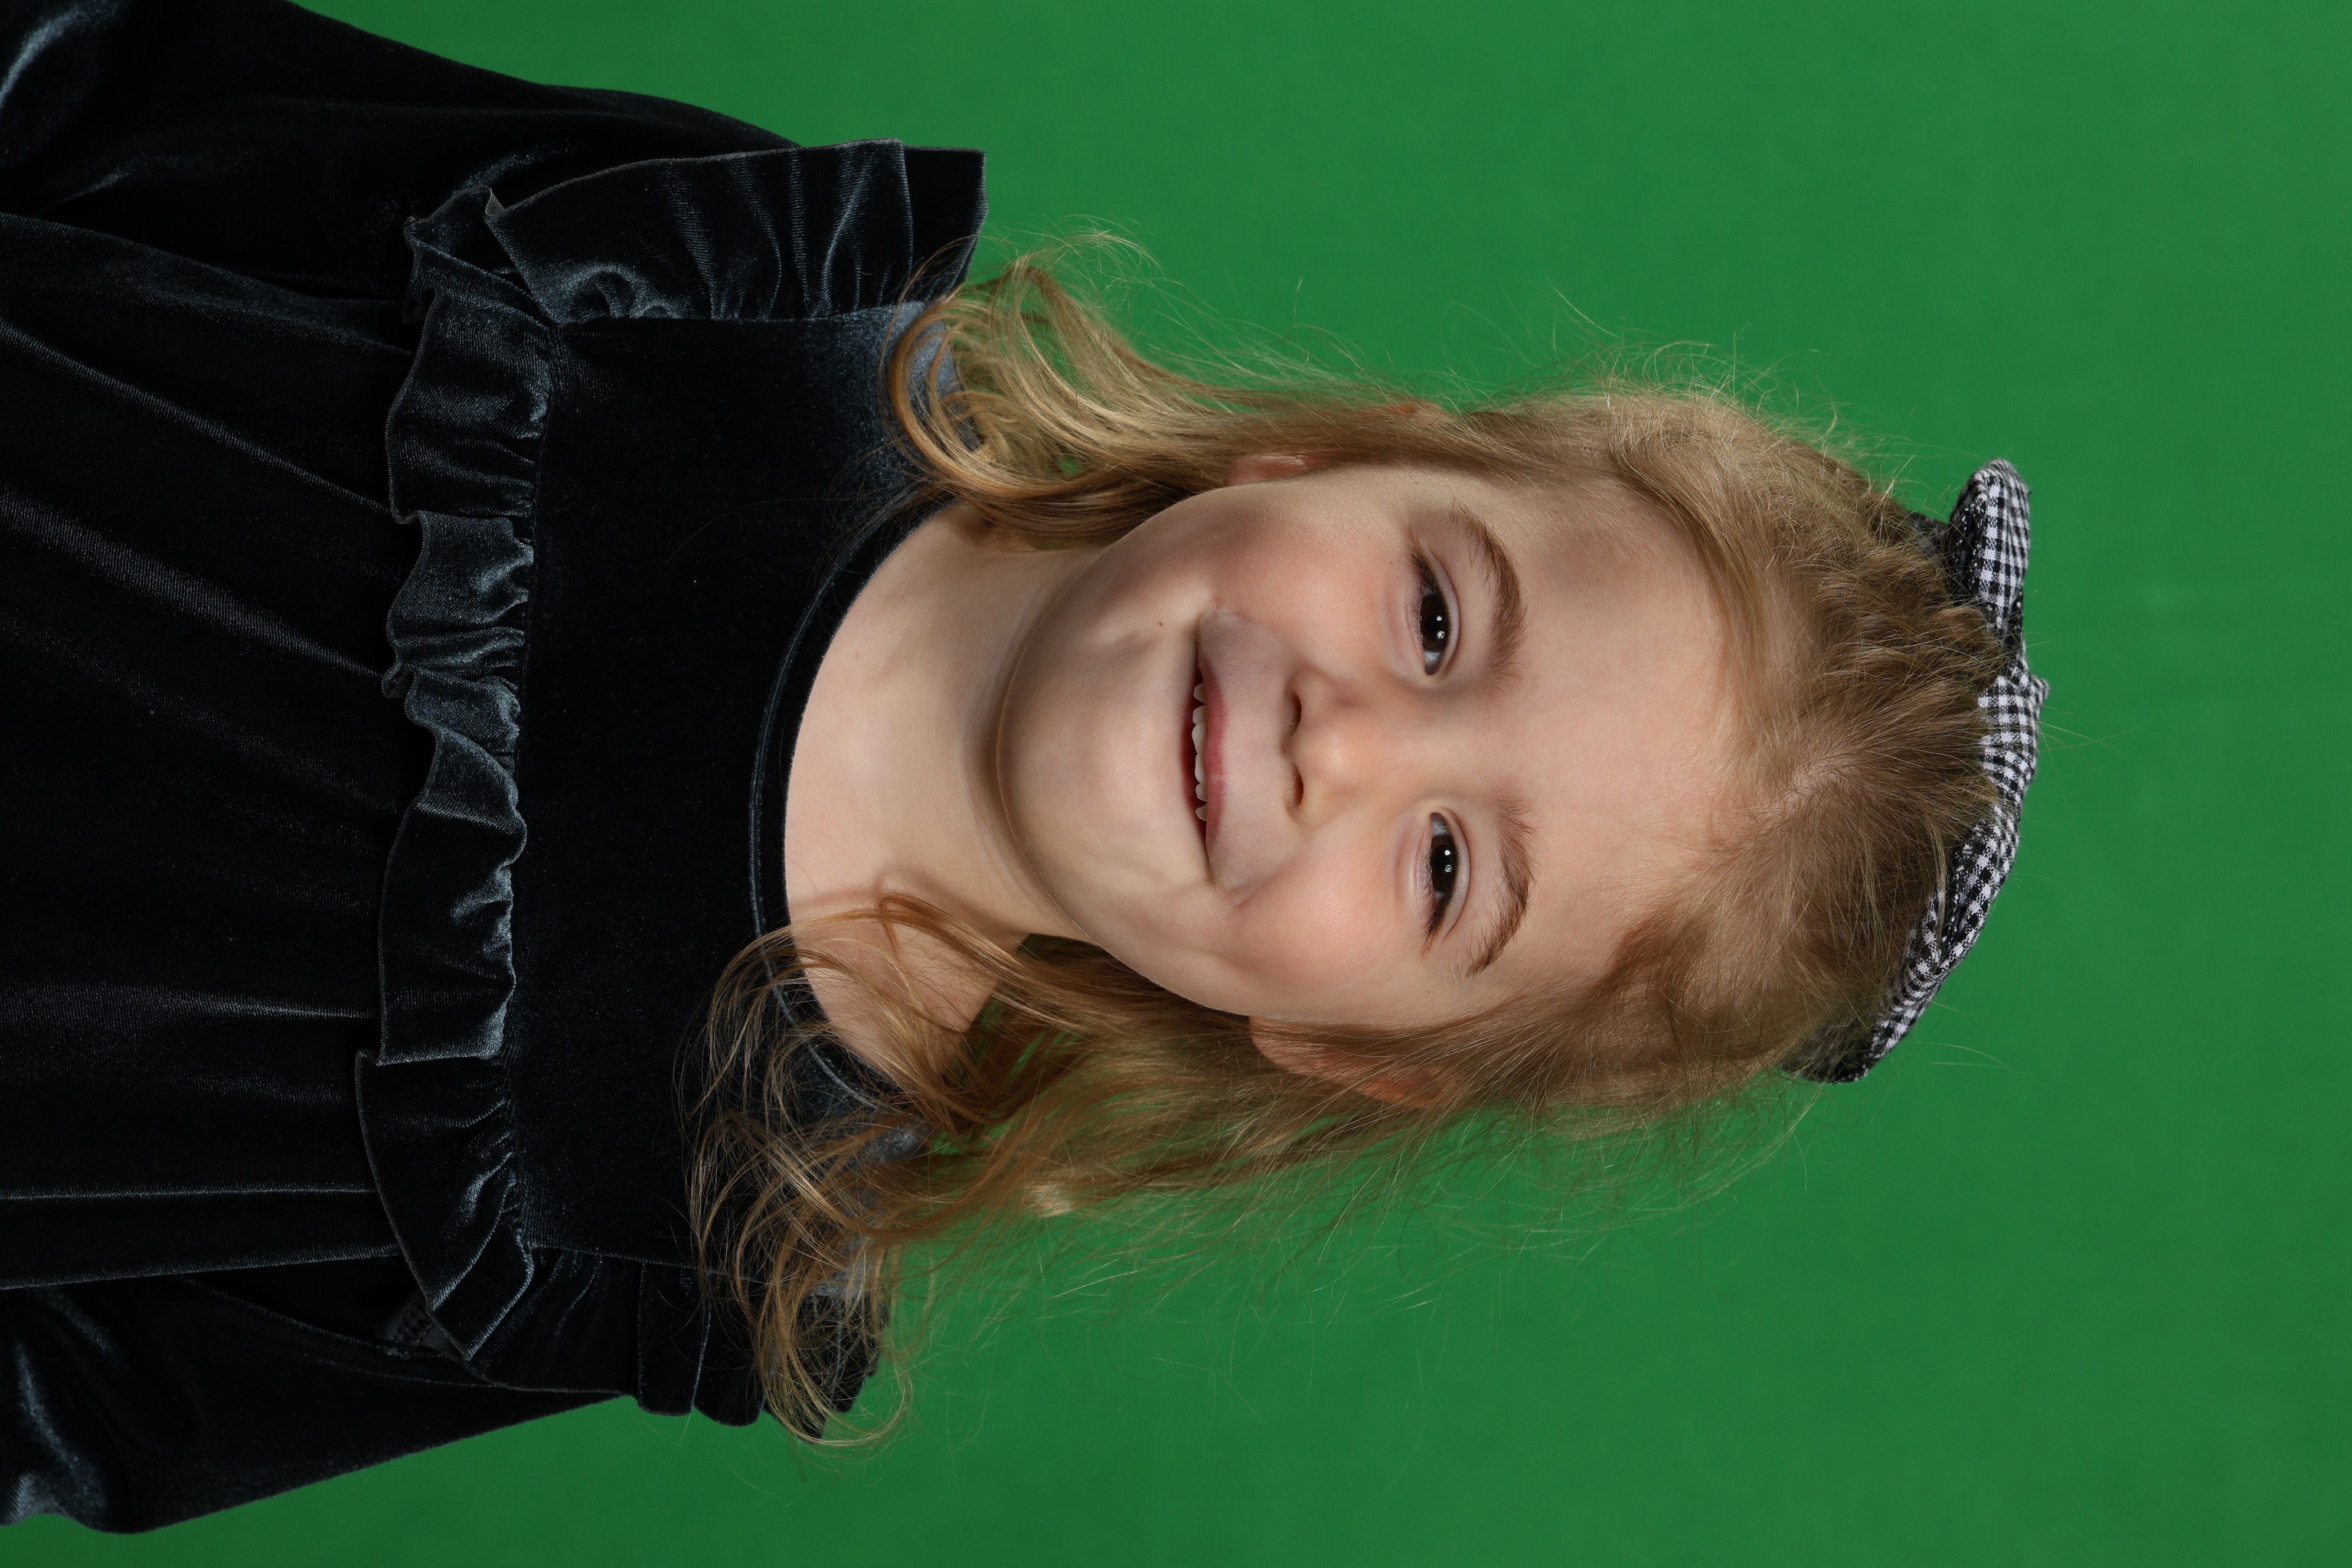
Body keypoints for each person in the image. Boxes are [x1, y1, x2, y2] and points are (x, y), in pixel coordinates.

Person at [0, 0, 2047, 1534]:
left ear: (1352, 1052)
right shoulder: (708, 308)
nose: (1345, 740)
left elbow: (83, 1382)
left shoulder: (657, 1217)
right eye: (1437, 617)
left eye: (1446, 869)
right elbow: (100, 101)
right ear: (1337, 457)